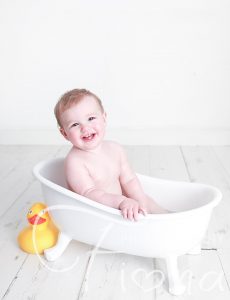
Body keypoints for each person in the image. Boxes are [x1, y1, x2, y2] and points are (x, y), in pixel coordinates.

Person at [54, 89, 168, 221]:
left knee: (147, 201)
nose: (85, 128)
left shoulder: (115, 148)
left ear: (104, 118)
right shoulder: (75, 162)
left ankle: (169, 217)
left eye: (91, 118)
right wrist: (120, 202)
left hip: (122, 204)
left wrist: (140, 200)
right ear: (64, 134)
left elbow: (129, 179)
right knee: (131, 213)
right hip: (97, 213)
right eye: (75, 124)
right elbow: (88, 193)